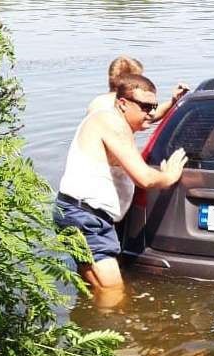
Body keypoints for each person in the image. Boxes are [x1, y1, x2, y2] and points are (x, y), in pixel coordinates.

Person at [54, 74, 187, 307]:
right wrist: (169, 176)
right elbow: (144, 178)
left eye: (152, 106)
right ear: (123, 103)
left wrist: (172, 102)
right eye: (145, 106)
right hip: (87, 218)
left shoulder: (117, 119)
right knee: (113, 293)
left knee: (95, 288)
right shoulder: (111, 123)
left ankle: (86, 332)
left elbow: (150, 118)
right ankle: (113, 338)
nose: (150, 113)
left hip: (81, 213)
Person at [87, 55, 188, 118]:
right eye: (140, 79)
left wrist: (173, 101)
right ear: (131, 82)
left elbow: (148, 115)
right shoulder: (112, 107)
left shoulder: (100, 101)